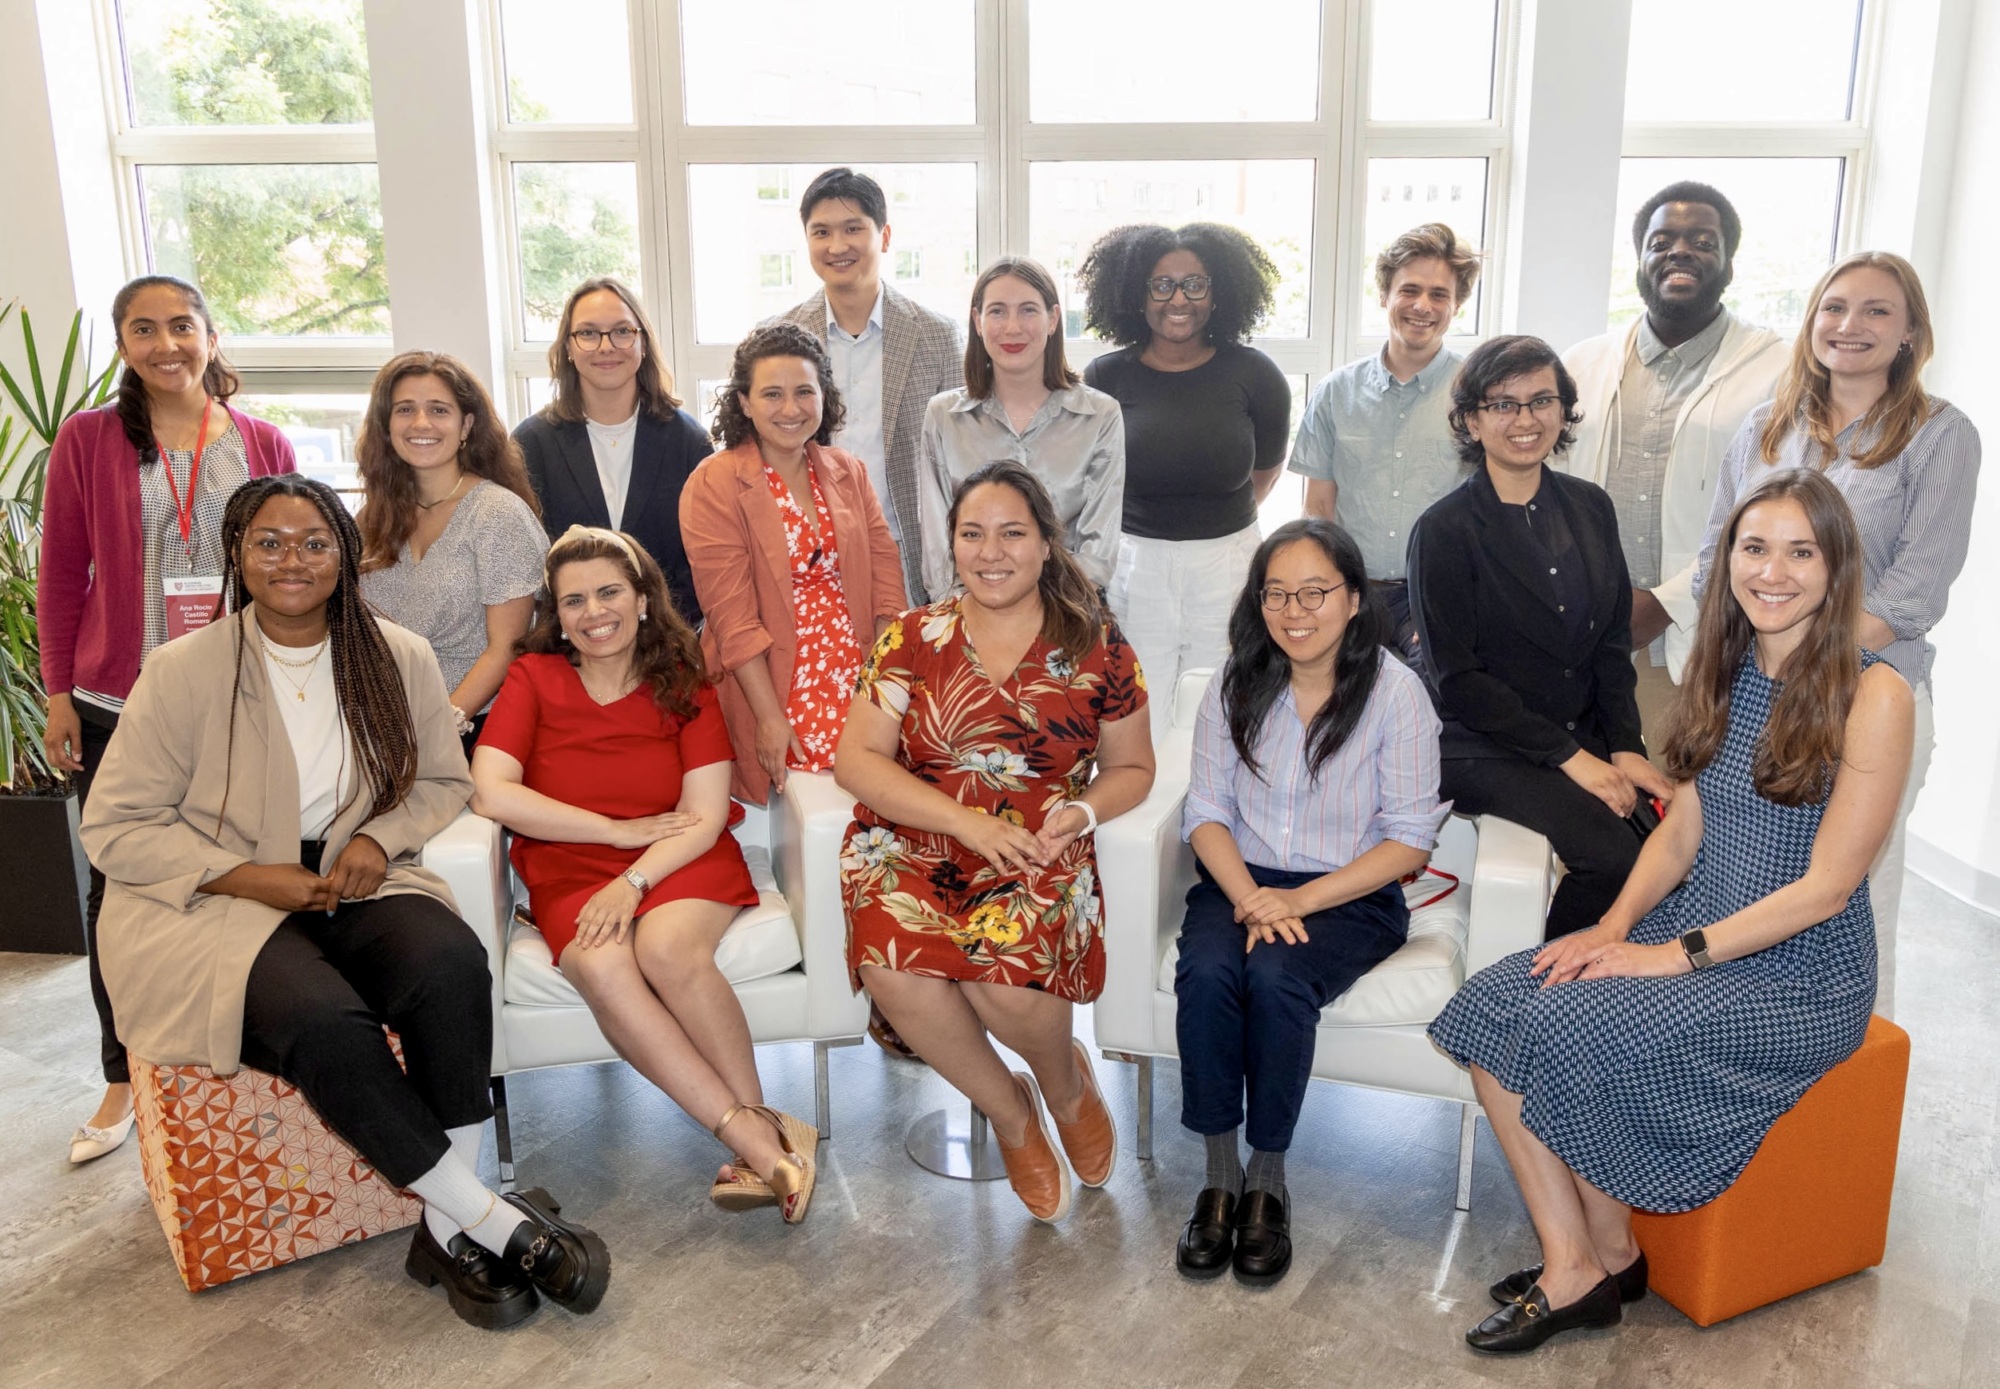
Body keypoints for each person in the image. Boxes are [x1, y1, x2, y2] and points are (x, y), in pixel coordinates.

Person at [80, 475, 609, 1330]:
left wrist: (377, 838)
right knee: (324, 1022)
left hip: (354, 876)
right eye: (270, 542)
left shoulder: (393, 653)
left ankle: (442, 1227)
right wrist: (246, 875)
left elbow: (441, 780)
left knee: (449, 962)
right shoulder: (182, 670)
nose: (293, 560)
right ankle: (489, 1219)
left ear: (345, 553)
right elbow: (114, 826)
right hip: (212, 897)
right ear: (238, 554)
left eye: (313, 541)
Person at [1429, 468, 1913, 1354]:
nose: (1773, 570)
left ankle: (1583, 1270)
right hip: (1697, 927)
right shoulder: (1723, 667)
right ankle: (1593, 1256)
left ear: (1837, 566)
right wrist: (1612, 929)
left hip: (1798, 970)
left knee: (1576, 1027)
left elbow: (1827, 889)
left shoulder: (1875, 693)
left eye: (1801, 551)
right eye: (1755, 547)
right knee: (1497, 1005)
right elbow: (1680, 834)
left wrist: (1667, 955)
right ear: (1728, 559)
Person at [835, 462, 1156, 1223]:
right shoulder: (912, 638)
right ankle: (1011, 1114)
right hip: (913, 842)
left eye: (1013, 532)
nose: (991, 551)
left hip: (1038, 845)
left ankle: (1065, 1085)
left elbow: (1134, 768)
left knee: (1004, 981)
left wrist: (1080, 815)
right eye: (972, 534)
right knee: (895, 965)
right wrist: (964, 822)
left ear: (1047, 543)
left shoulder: (1099, 647)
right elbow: (857, 760)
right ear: (950, 546)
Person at [470, 525, 819, 1222]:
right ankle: (757, 1134)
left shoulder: (683, 678)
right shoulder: (533, 677)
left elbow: (704, 810)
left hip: (678, 853)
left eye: (608, 592)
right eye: (573, 600)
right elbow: (492, 791)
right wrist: (609, 834)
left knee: (665, 948)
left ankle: (760, 1134)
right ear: (556, 614)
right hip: (571, 862)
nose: (593, 612)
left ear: (640, 598)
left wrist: (633, 877)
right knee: (601, 965)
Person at [38, 273, 296, 1164]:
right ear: (123, 348)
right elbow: (62, 567)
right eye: (143, 330)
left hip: (232, 698)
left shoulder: (262, 440)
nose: (165, 344)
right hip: (118, 700)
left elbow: (288, 566)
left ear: (212, 337)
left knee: (237, 865)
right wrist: (57, 689)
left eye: (181, 326)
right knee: (117, 884)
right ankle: (122, 1071)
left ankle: (234, 1050)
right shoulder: (88, 440)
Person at [1695, 251, 1978, 1019]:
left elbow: (1913, 592)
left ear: (1912, 331)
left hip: (1865, 698)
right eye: (1835, 306)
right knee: (1746, 886)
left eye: (1877, 311)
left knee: (1856, 900)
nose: (1850, 326)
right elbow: (1713, 563)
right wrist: (1758, 660)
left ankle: (1849, 1115)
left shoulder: (1940, 434)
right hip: (1755, 693)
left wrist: (1799, 650)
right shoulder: (1764, 426)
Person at [1173, 519, 1446, 1288]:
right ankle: (1218, 1176)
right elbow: (1206, 813)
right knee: (1206, 970)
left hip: (1351, 891)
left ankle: (1266, 1178)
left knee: (1277, 977)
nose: (1296, 610)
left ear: (1354, 598)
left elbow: (1409, 841)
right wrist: (1252, 897)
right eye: (1277, 593)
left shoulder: (1396, 696)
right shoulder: (1235, 681)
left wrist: (1295, 900)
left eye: (1316, 591)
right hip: (1241, 878)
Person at [1407, 336, 1673, 940]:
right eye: (1503, 405)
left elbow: (1610, 644)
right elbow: (1459, 682)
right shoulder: (1443, 531)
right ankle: (1537, 1001)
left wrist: (1625, 746)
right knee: (1613, 858)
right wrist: (1575, 761)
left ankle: (1601, 997)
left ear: (1563, 411)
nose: (1524, 420)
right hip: (1479, 744)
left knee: (1671, 851)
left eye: (1540, 401)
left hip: (1577, 733)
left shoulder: (1590, 507)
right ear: (1472, 421)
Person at [1558, 182, 1786, 742]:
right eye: (1661, 241)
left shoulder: (1778, 371)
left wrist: (1664, 602)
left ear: (1728, 265)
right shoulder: (1582, 362)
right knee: (1582, 807)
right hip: (1579, 633)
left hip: (1695, 638)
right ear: (1640, 262)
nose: (1680, 252)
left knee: (1677, 804)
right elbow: (1549, 488)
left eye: (1702, 242)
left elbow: (1773, 508)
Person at [680, 321, 907, 805]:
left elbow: (887, 575)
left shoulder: (848, 470)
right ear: (743, 402)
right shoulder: (714, 483)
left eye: (805, 391)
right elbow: (732, 619)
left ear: (823, 396)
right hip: (774, 677)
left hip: (865, 665)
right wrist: (769, 717)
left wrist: (884, 683)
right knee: (849, 791)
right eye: (772, 394)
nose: (790, 409)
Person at [1078, 222, 1292, 734]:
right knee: (1138, 712)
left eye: (1195, 284)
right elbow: (1093, 481)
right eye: (1162, 284)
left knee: (1223, 711)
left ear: (1218, 293)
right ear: (1137, 294)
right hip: (1135, 565)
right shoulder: (1105, 377)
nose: (1179, 298)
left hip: (1228, 563)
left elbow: (1265, 468)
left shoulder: (1257, 374)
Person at [1292, 223, 1482, 658]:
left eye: (1439, 294)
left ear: (1457, 305)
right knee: (1345, 712)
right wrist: (1330, 596)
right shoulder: (1336, 393)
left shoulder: (1476, 394)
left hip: (1437, 598)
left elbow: (1487, 507)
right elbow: (1318, 508)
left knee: (1430, 709)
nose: (1422, 306)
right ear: (1384, 295)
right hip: (1354, 594)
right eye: (1409, 290)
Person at [775, 167, 964, 602]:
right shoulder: (778, 337)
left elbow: (960, 460)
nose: (837, 246)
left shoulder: (937, 336)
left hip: (908, 558)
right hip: (806, 561)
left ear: (885, 235)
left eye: (853, 228)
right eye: (820, 231)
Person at [356, 351, 547, 754]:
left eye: (439, 410)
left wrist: (437, 728)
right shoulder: (371, 519)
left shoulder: (497, 513)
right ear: (386, 425)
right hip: (381, 729)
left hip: (474, 731)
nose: (420, 423)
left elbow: (507, 649)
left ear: (466, 426)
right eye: (405, 409)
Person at [915, 256, 1124, 600]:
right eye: (997, 311)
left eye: (1028, 310)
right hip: (969, 611)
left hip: (1068, 610)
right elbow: (938, 542)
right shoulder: (943, 415)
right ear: (977, 322)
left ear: (1053, 319)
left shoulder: (1100, 415)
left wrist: (1037, 618)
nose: (1012, 327)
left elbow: (1097, 554)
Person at [514, 277, 713, 626]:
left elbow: (703, 562)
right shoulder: (532, 444)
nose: (606, 346)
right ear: (568, 349)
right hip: (568, 647)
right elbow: (523, 563)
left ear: (644, 343)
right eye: (588, 334)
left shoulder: (688, 441)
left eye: (622, 331)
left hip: (667, 644)